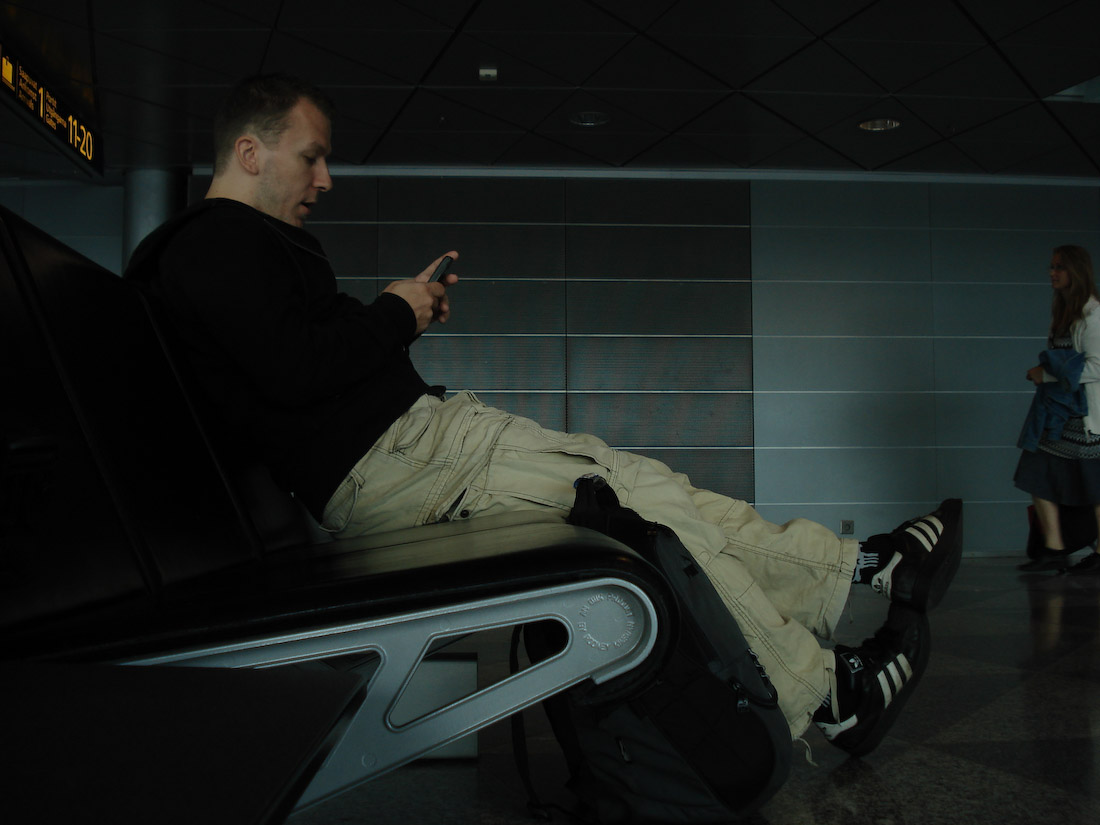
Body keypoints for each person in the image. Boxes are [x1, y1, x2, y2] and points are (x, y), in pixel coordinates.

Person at [124, 74, 964, 754]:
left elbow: (299, 360)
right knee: (646, 520)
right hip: (411, 464)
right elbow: (296, 369)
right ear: (250, 151)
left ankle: (861, 569)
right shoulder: (213, 241)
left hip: (425, 451)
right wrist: (391, 315)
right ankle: (834, 691)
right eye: (311, 158)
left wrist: (391, 315)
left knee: (650, 487)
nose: (325, 180)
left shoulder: (231, 250)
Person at [1015, 245, 1100, 574]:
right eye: (1051, 266)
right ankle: (1053, 550)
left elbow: (1097, 367)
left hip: (1085, 416)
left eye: (1059, 267)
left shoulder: (1093, 315)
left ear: (1076, 271)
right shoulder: (1064, 312)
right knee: (1037, 473)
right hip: (1058, 412)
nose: (1052, 273)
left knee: (1094, 485)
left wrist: (1047, 375)